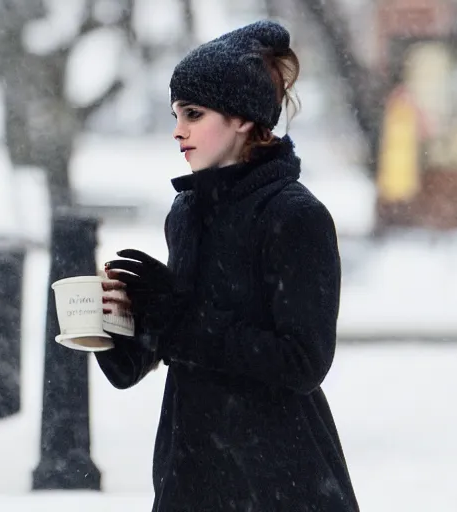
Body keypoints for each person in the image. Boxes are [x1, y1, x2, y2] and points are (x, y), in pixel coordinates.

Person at [97, 19, 360, 512]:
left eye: (194, 114)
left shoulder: (296, 216)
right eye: (176, 114)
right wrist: (113, 326)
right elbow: (165, 352)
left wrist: (176, 314)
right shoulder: (188, 212)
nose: (178, 131)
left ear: (242, 117)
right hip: (190, 477)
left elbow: (303, 362)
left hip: (280, 482)